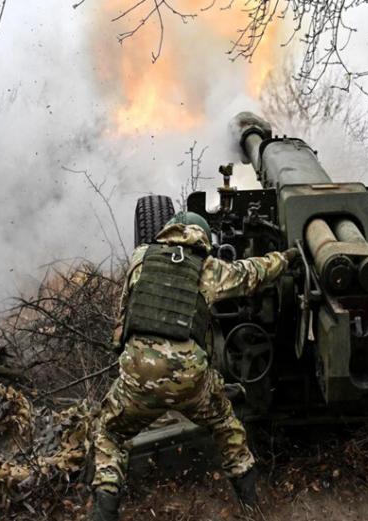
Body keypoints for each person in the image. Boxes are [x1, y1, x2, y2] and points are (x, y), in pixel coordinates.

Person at [91, 211, 298, 521]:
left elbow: (122, 325)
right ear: (201, 236)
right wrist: (285, 258)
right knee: (226, 425)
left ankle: (103, 514)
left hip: (137, 377)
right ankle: (254, 508)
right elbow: (252, 273)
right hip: (190, 380)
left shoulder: (140, 258)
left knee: (109, 432)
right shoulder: (208, 268)